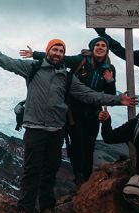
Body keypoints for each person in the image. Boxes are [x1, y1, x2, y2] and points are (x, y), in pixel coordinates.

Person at [0, 31, 135, 213]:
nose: (57, 53)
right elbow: (6, 62)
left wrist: (117, 99)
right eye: (55, 49)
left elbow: (89, 95)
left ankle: (47, 207)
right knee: (31, 170)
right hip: (34, 128)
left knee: (50, 170)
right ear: (48, 51)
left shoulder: (66, 76)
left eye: (61, 50)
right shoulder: (33, 67)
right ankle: (25, 210)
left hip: (56, 129)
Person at [21, 37, 117, 184]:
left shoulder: (110, 69)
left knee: (89, 146)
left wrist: (110, 81)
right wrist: (35, 54)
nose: (100, 47)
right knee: (77, 144)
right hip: (74, 112)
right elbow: (60, 58)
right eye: (97, 45)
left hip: (93, 112)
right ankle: (79, 178)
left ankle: (86, 179)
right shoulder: (81, 60)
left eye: (103, 45)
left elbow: (109, 95)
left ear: (107, 49)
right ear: (92, 48)